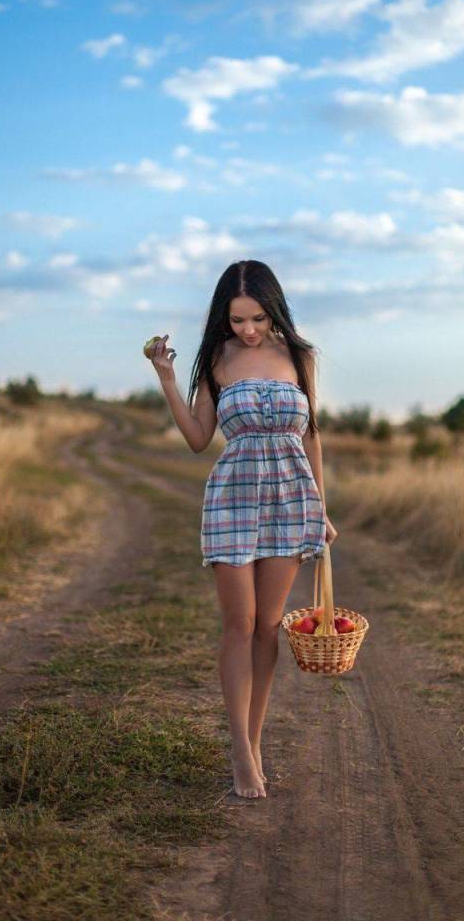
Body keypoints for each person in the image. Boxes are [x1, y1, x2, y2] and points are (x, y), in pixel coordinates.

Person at [146, 259, 338, 800]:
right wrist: (166, 380)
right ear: (223, 319)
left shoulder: (300, 357)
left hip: (289, 498)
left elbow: (312, 435)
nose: (248, 330)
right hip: (232, 499)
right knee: (240, 622)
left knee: (268, 626)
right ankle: (239, 752)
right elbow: (198, 437)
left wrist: (320, 508)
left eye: (256, 318)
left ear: (274, 311)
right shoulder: (217, 358)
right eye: (237, 320)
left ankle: (253, 743)